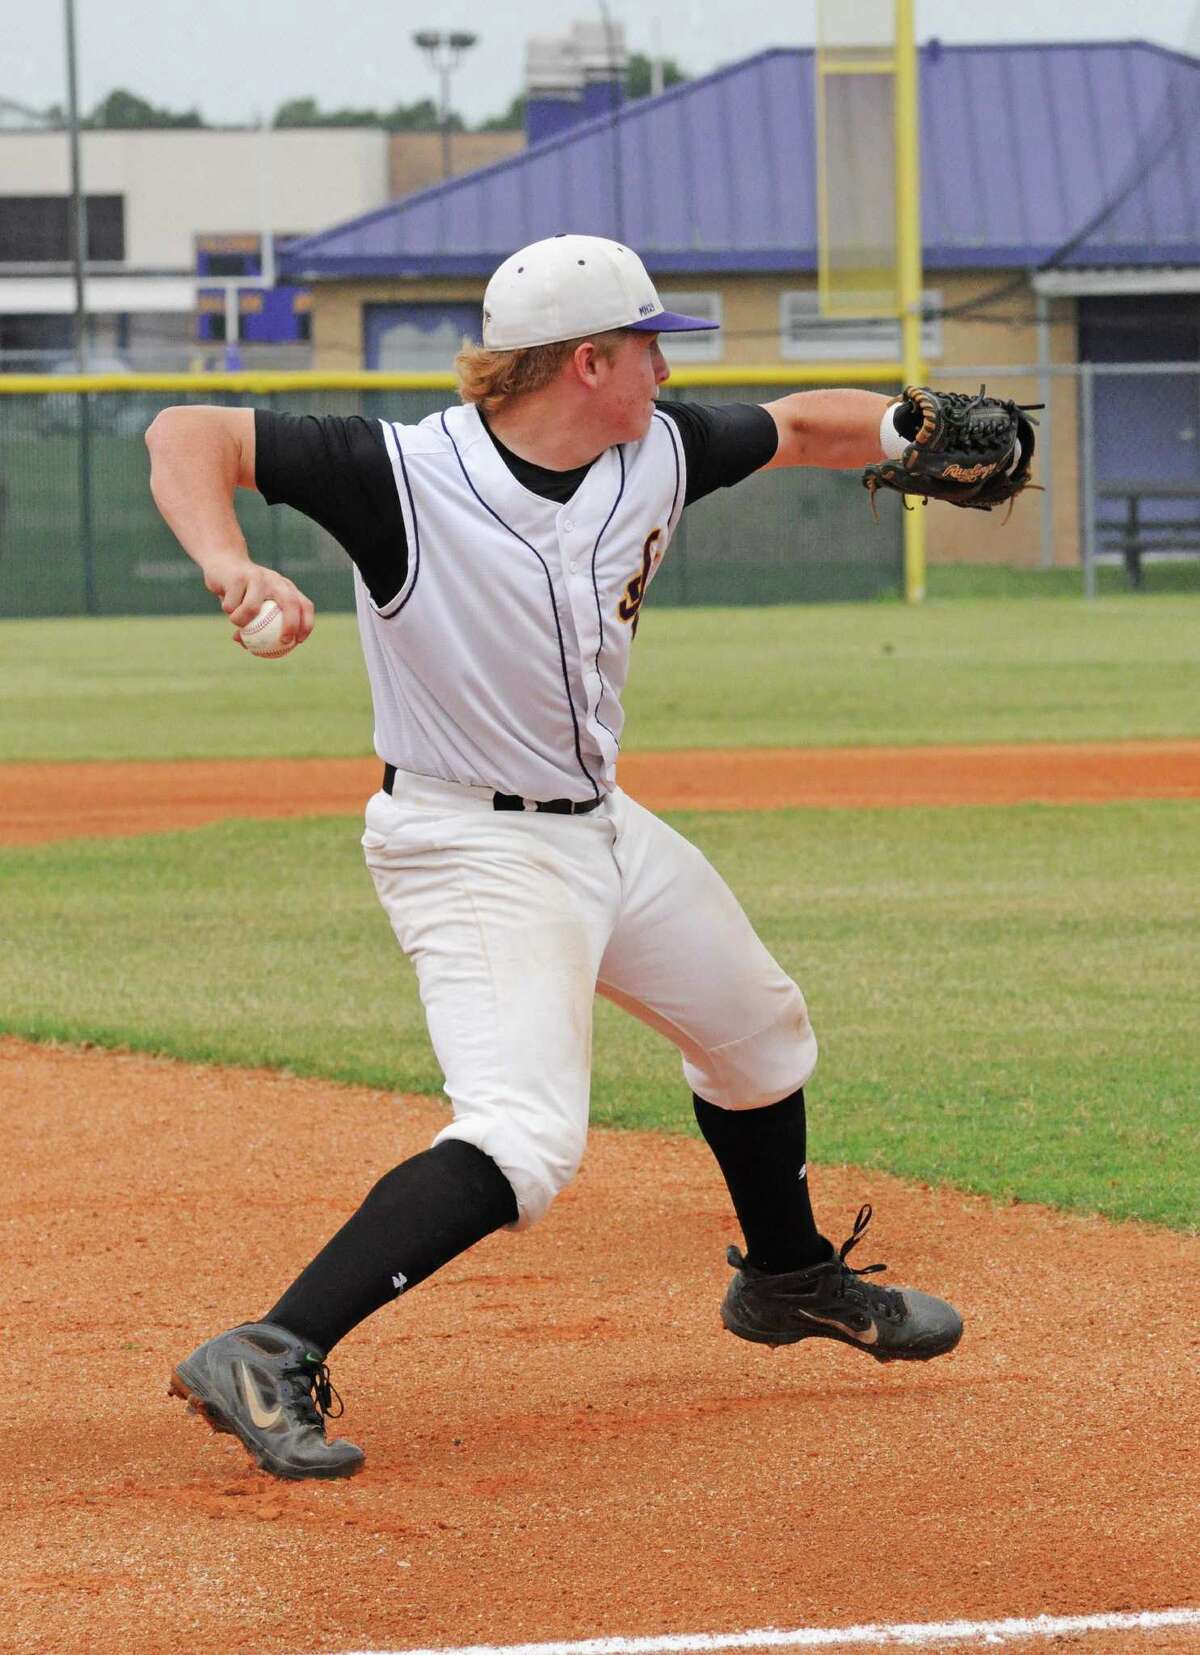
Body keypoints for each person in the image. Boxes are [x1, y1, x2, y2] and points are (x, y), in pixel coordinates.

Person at [147, 233, 962, 1484]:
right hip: (469, 845)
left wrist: (911, 425)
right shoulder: (404, 474)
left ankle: (788, 1277)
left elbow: (803, 426)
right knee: (525, 1135)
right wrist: (226, 560)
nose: (665, 363)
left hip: (601, 825)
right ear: (589, 360)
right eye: (648, 343)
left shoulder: (655, 451)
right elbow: (190, 433)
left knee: (757, 1033)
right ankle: (270, 1345)